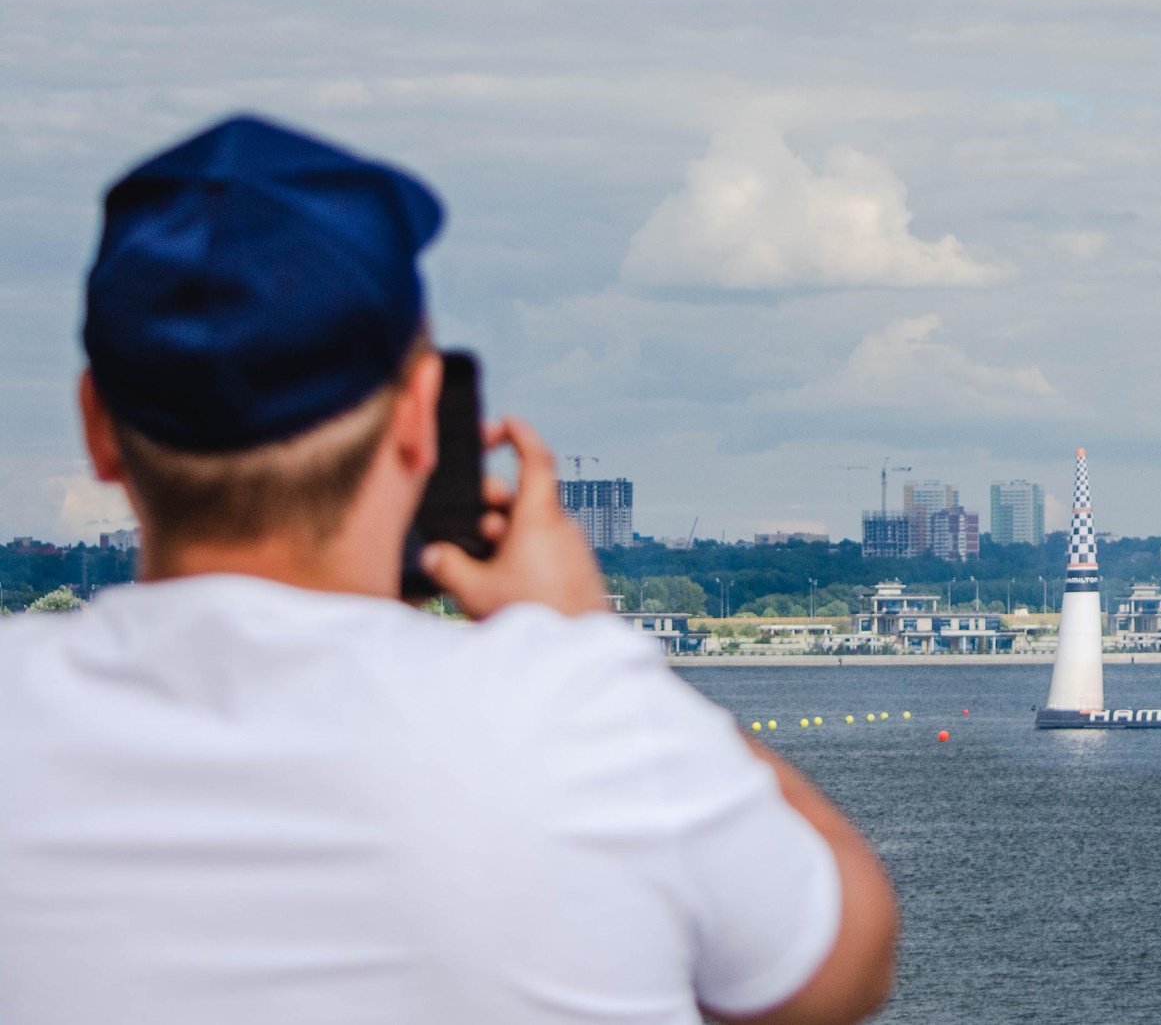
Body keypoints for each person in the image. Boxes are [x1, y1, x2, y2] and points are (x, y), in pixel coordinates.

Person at [0, 116, 899, 1024]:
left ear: (98, 427)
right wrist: (581, 638)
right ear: (424, 417)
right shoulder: (585, 720)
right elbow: (844, 962)